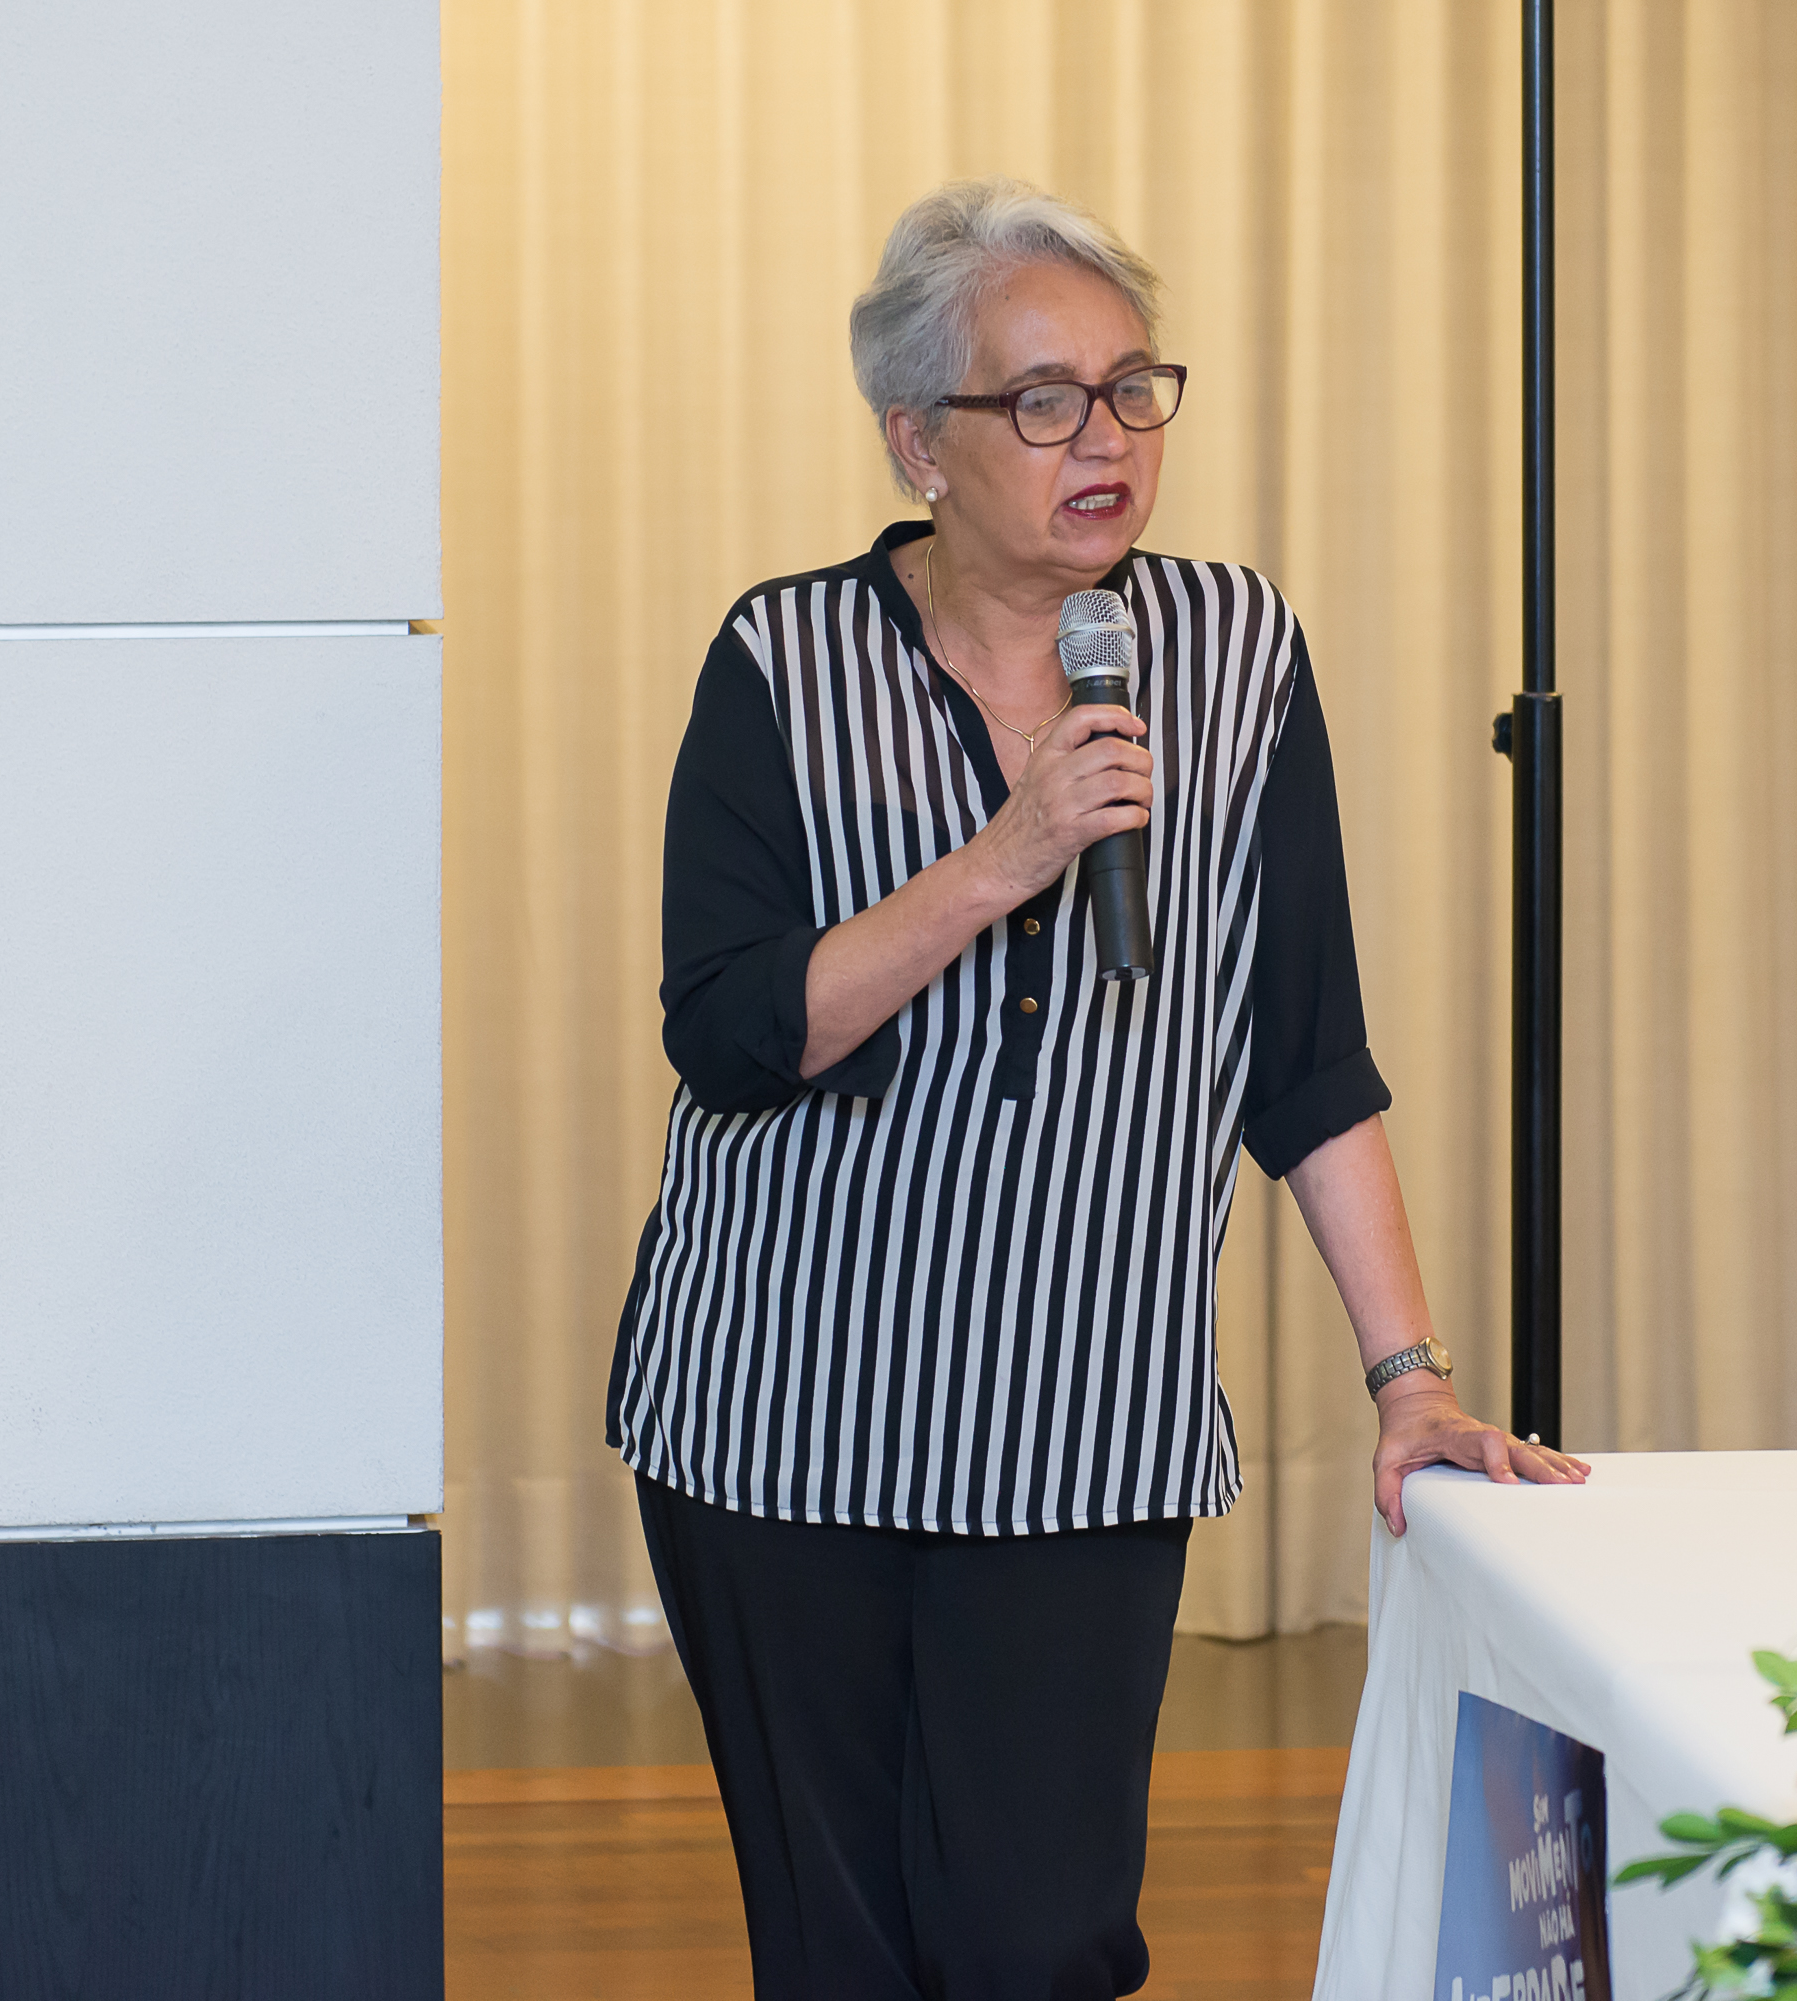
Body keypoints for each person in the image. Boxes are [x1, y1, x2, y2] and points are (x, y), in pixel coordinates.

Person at [602, 177, 1586, 1999]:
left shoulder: (1233, 652)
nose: (1107, 439)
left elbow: (1303, 1051)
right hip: (780, 1411)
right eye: (1043, 400)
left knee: (1039, 1938)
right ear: (919, 441)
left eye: (1134, 388)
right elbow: (731, 1031)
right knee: (840, 1955)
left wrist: (1410, 1376)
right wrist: (1003, 859)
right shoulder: (781, 661)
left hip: (1080, 1412)